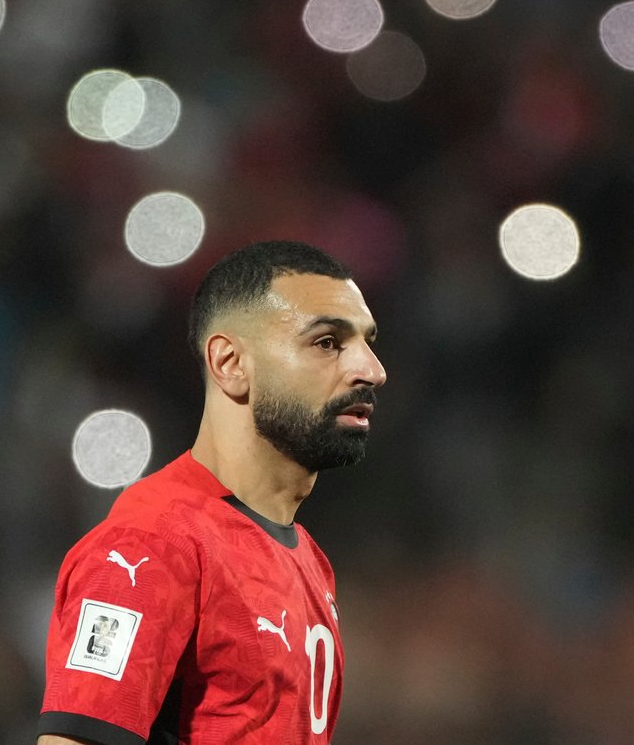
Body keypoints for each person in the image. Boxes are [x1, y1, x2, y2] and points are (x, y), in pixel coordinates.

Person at [38, 240, 387, 745]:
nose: (372, 370)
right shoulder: (152, 544)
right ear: (229, 363)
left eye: (367, 342)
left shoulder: (307, 559)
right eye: (328, 342)